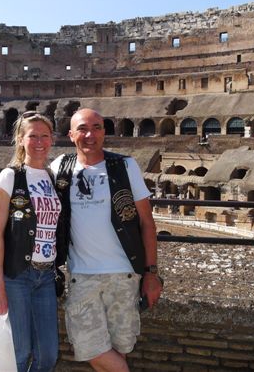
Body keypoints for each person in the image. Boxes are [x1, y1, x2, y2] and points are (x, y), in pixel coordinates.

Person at [51, 108, 163, 371]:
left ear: (104, 132)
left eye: (97, 128)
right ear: (71, 135)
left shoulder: (125, 166)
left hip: (124, 274)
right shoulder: (60, 168)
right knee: (92, 349)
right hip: (81, 276)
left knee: (119, 349)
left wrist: (151, 273)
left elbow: (147, 222)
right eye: (82, 129)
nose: (90, 135)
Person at [0, 111, 65, 372]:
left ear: (52, 139)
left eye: (45, 136)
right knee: (19, 354)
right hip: (16, 275)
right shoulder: (9, 176)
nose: (39, 142)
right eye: (33, 136)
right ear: (21, 139)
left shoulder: (53, 177)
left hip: (46, 276)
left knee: (48, 355)